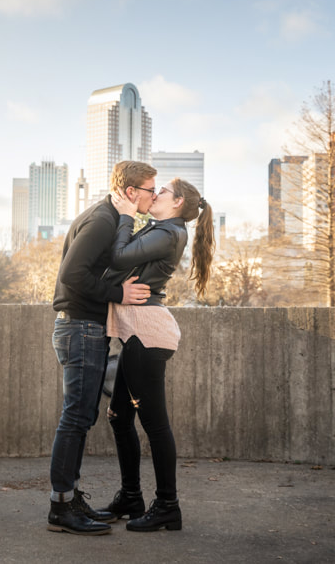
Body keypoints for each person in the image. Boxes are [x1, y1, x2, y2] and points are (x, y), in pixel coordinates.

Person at [47, 160, 158, 536]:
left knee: (81, 417)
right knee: (76, 418)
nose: (154, 195)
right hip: (79, 328)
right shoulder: (102, 220)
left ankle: (70, 498)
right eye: (150, 189)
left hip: (86, 327)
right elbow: (71, 274)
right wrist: (118, 293)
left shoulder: (111, 216)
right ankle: (61, 507)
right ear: (131, 192)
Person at [102, 178, 214, 532]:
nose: (155, 194)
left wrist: (124, 216)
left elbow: (119, 256)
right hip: (137, 331)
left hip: (146, 333)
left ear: (177, 201)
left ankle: (168, 505)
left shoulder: (168, 232)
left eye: (162, 191)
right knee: (120, 418)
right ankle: (131, 496)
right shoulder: (163, 228)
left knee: (155, 424)